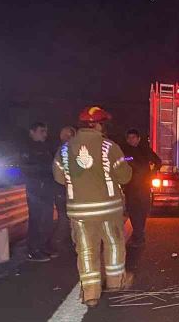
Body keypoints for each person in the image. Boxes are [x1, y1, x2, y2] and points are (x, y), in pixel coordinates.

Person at [53, 106, 133, 307]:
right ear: (99, 125)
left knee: (86, 250)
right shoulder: (109, 147)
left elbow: (59, 177)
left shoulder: (64, 149)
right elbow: (125, 175)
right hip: (108, 209)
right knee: (114, 244)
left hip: (79, 211)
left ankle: (90, 293)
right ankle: (116, 283)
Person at [21, 122, 56, 262]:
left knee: (46, 219)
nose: (44, 134)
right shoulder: (26, 148)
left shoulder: (45, 147)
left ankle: (43, 246)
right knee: (36, 219)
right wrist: (45, 170)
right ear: (32, 132)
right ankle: (33, 249)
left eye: (45, 131)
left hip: (46, 187)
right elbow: (27, 168)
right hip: (36, 189)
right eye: (42, 131)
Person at [122, 128, 162, 247]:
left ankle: (139, 236)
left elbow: (158, 161)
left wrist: (152, 172)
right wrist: (129, 160)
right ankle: (138, 235)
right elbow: (121, 160)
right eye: (129, 138)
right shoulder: (124, 151)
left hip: (144, 185)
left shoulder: (145, 150)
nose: (131, 140)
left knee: (142, 211)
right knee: (133, 211)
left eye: (133, 137)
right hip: (130, 186)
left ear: (138, 139)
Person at [52, 126, 77, 250]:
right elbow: (58, 173)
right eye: (66, 136)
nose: (68, 138)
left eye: (70, 135)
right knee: (66, 218)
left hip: (70, 190)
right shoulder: (63, 151)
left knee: (71, 218)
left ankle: (71, 242)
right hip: (65, 190)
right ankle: (57, 244)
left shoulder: (69, 151)